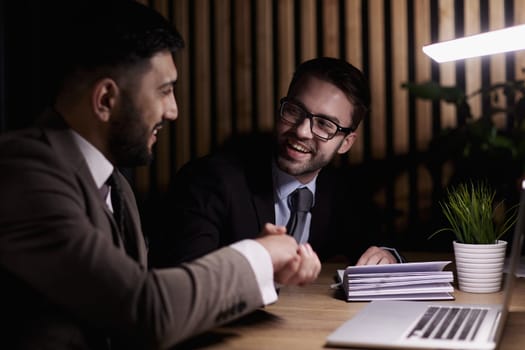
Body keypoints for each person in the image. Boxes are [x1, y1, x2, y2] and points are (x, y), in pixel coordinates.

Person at [0, 1, 321, 349]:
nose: (174, 111)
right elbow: (146, 308)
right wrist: (258, 255)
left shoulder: (115, 182)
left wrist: (265, 265)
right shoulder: (22, 173)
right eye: (164, 91)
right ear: (106, 99)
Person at [148, 57, 403, 268]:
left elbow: (377, 240)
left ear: (346, 143)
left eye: (325, 124)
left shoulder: (342, 192)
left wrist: (386, 254)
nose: (302, 131)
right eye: (294, 110)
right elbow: (186, 279)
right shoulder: (209, 180)